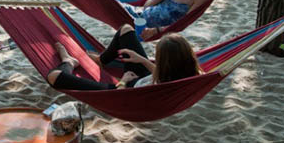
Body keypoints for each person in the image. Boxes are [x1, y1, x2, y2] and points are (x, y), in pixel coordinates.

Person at [46, 25, 202, 90]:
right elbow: (162, 75)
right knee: (126, 30)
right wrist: (142, 60)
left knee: (54, 76)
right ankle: (102, 60)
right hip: (143, 77)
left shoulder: (159, 86)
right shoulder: (192, 74)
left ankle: (68, 61)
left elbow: (123, 95)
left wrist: (124, 81)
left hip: (124, 89)